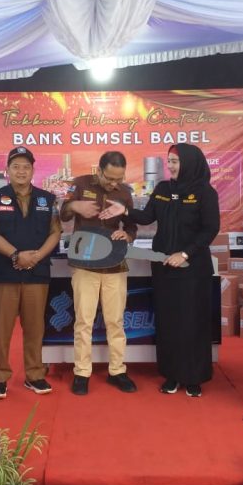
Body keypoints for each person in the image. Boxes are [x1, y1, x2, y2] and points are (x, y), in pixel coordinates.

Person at [101, 143, 220, 397]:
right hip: (163, 266)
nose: (171, 166)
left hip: (192, 269)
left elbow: (210, 229)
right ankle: (172, 374)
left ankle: (194, 377)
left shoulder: (205, 192)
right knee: (168, 321)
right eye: (169, 162)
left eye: (175, 162)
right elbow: (147, 217)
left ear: (190, 163)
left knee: (192, 321)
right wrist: (126, 211)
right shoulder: (163, 189)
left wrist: (185, 253)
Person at [0, 146, 62, 399]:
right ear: (8, 170)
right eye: (16, 166)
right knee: (0, 330)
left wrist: (36, 256)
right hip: (4, 273)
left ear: (33, 170)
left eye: (26, 167)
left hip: (37, 272)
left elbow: (55, 232)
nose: (21, 171)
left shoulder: (47, 199)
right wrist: (16, 255)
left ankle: (34, 374)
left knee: (35, 328)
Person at [61, 151, 139, 396]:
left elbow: (132, 224)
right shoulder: (80, 184)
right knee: (83, 320)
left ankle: (117, 370)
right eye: (110, 178)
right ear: (99, 170)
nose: (114, 183)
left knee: (115, 321)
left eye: (119, 178)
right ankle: (82, 372)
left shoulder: (125, 193)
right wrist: (74, 205)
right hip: (85, 263)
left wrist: (127, 235)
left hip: (114, 263)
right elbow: (62, 213)